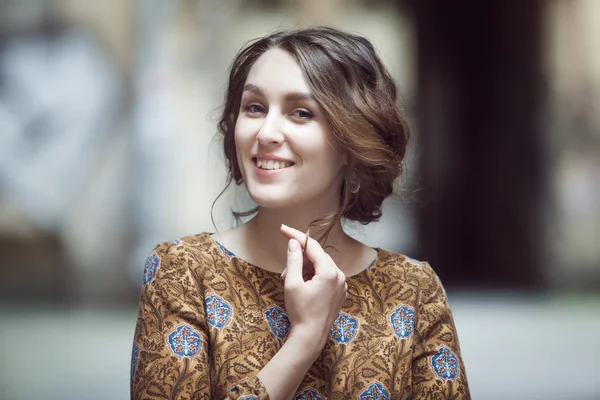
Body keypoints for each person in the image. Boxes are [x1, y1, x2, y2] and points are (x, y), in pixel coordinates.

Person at [131, 27, 470, 400]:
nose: (266, 133)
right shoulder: (181, 272)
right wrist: (305, 340)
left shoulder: (414, 291)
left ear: (352, 141)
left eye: (301, 113)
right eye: (254, 108)